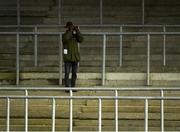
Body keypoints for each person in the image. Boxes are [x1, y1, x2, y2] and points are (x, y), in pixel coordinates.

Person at [62, 21, 84, 90]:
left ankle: (73, 86)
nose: (71, 28)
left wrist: (78, 31)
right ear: (67, 28)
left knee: (74, 73)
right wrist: (70, 31)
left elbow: (81, 39)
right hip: (68, 57)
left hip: (75, 57)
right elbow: (65, 39)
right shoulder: (65, 34)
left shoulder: (75, 35)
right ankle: (67, 87)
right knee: (67, 73)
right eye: (70, 27)